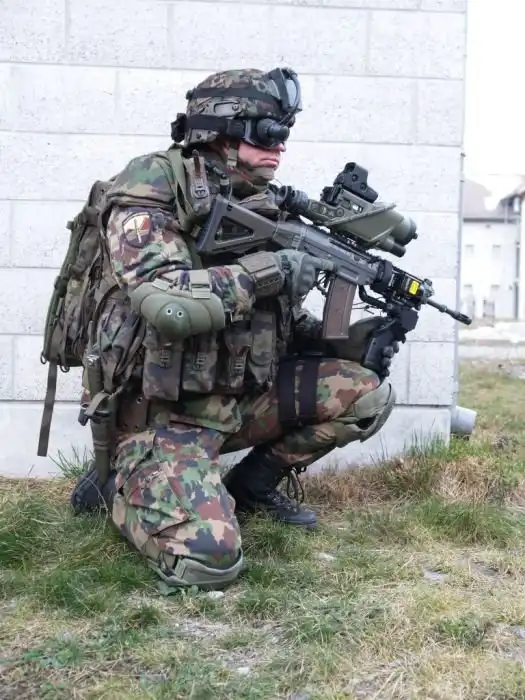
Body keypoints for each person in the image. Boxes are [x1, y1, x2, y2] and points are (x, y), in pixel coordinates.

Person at [70, 67, 398, 591]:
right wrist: (272, 271)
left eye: (285, 134)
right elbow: (167, 303)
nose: (280, 146)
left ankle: (250, 488)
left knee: (365, 394)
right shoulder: (153, 185)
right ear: (222, 130)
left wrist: (342, 337)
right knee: (209, 562)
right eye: (268, 133)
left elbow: (273, 321)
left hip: (237, 404)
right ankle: (120, 486)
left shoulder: (260, 201)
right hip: (162, 418)